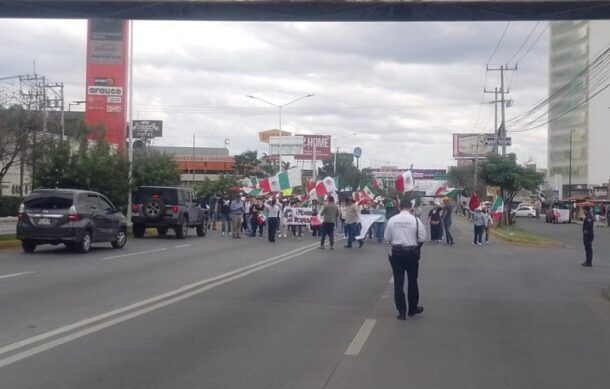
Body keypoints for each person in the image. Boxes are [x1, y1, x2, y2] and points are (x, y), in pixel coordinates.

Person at [384, 199, 427, 320]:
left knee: (398, 282)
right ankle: (412, 309)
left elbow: (386, 237)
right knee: (412, 281)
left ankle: (401, 312)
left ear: (400, 208)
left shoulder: (392, 220)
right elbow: (422, 237)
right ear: (411, 208)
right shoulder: (416, 220)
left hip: (396, 253)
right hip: (411, 253)